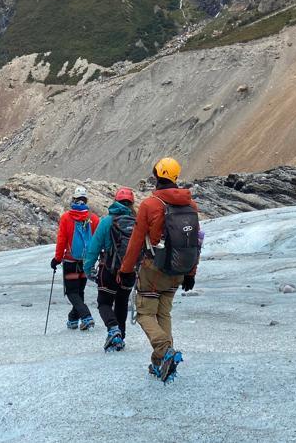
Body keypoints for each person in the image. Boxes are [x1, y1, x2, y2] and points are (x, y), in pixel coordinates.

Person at [119, 157, 200, 383]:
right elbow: (194, 243)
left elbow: (136, 241)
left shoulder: (150, 205)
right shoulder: (190, 206)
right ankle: (159, 363)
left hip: (153, 269)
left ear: (157, 175)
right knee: (163, 314)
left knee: (145, 313)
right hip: (178, 270)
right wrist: (191, 273)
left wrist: (125, 270)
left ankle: (165, 352)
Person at [83, 187, 137, 352]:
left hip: (109, 269)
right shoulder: (138, 221)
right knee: (121, 303)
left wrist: (88, 268)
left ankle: (113, 330)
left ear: (116, 201)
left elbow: (94, 247)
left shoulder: (107, 221)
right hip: (129, 271)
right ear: (131, 204)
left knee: (104, 303)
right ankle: (120, 337)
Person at [51, 186, 100, 330]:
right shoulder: (94, 219)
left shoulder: (66, 217)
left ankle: (86, 316)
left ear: (74, 199)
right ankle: (73, 319)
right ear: (86, 200)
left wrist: (57, 259)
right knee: (80, 291)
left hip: (70, 261)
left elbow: (62, 240)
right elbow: (97, 240)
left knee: (72, 292)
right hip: (86, 262)